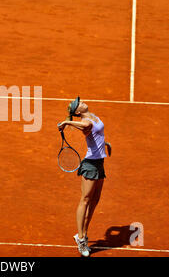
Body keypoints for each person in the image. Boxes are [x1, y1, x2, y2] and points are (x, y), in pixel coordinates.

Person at [58, 96, 111, 257]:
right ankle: (81, 239)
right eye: (78, 104)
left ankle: (83, 234)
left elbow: (95, 132)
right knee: (85, 200)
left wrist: (105, 143)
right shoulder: (85, 122)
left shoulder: (91, 115)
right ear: (78, 111)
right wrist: (67, 123)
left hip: (99, 163)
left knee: (95, 201)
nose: (82, 102)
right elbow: (86, 126)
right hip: (90, 165)